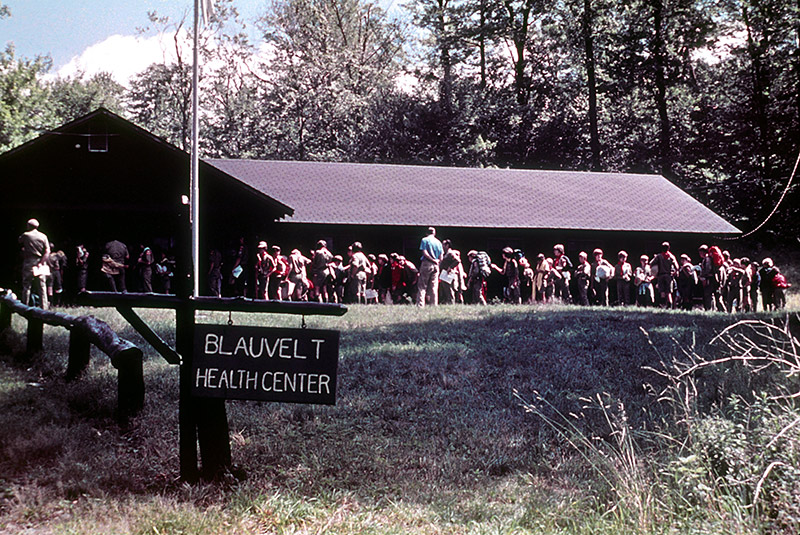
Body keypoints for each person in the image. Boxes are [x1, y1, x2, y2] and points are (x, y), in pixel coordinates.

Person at [19, 219, 50, 309]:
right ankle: (44, 307)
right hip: (40, 262)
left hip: (29, 261)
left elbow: (19, 241)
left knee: (26, 285)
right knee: (42, 286)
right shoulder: (43, 236)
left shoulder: (26, 235)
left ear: (29, 225)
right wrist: (42, 262)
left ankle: (24, 306)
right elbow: (47, 251)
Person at [417, 227, 443, 307]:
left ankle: (420, 305)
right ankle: (434, 304)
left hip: (427, 263)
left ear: (426, 233)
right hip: (436, 265)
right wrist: (437, 261)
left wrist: (432, 260)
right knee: (434, 286)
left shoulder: (424, 240)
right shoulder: (438, 242)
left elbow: (425, 252)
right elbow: (441, 256)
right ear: (434, 233)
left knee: (422, 285)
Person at [650, 242, 679, 308]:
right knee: (668, 291)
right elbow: (677, 267)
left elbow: (651, 263)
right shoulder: (671, 256)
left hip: (661, 275)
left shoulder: (659, 256)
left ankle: (663, 304)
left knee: (662, 291)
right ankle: (669, 305)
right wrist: (674, 272)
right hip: (668, 275)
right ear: (668, 248)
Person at [699, 245, 725, 311]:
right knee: (717, 296)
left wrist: (703, 276)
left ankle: (709, 309)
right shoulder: (712, 258)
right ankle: (722, 310)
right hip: (716, 280)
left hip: (710, 280)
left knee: (708, 295)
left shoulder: (707, 258)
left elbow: (708, 269)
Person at [439, 240, 464, 304]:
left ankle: (451, 302)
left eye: (443, 245)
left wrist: (450, 267)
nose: (442, 246)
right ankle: (448, 302)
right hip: (444, 273)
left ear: (447, 245)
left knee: (449, 289)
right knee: (445, 289)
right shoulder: (446, 253)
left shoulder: (450, 253)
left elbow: (458, 260)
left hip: (448, 273)